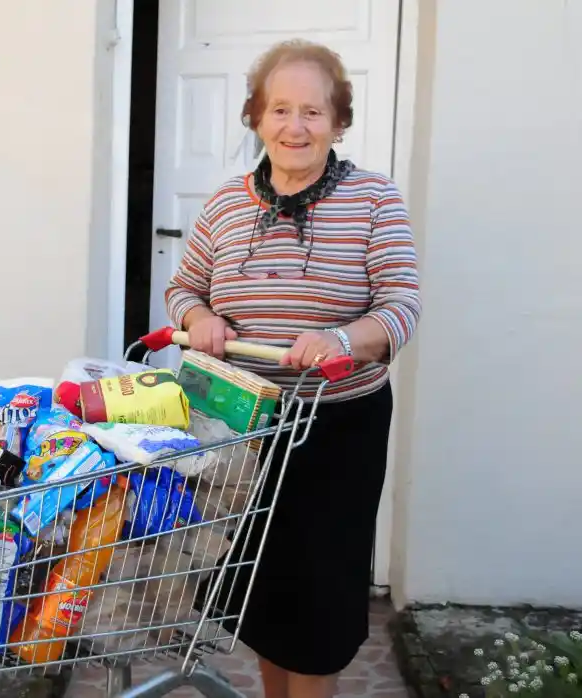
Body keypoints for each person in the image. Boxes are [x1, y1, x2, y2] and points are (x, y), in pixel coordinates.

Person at [164, 39, 421, 698]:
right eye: (280, 109)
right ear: (257, 117)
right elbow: (183, 288)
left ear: (338, 122)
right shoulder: (227, 203)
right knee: (263, 596)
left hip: (336, 431)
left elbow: (401, 305)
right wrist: (200, 319)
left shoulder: (374, 200)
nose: (295, 127)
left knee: (317, 604)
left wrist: (343, 338)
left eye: (313, 111)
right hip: (242, 430)